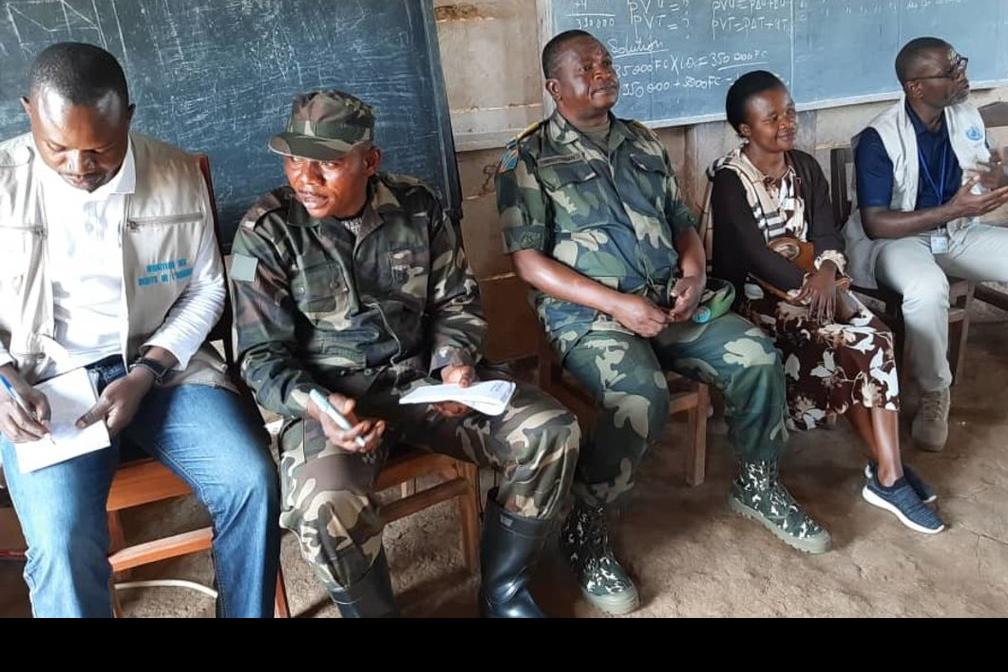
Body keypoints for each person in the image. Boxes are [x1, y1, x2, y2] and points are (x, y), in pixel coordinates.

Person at [495, 30, 831, 616]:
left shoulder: (643, 141)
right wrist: (616, 305)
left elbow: (681, 222)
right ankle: (586, 524)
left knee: (756, 356)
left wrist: (694, 275)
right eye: (586, 67)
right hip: (590, 317)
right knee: (639, 397)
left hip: (670, 303)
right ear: (555, 87)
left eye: (606, 62)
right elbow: (528, 262)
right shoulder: (528, 157)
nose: (603, 72)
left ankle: (757, 481)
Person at [229, 90, 581, 618]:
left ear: (370, 161)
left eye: (328, 163)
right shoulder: (267, 230)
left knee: (552, 432)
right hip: (335, 404)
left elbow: (457, 300)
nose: (305, 177)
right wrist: (319, 406)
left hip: (425, 384)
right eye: (294, 159)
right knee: (324, 506)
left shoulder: (418, 205)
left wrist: (455, 364)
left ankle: (504, 592)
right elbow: (260, 356)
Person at [0, 42, 280, 618]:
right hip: (42, 379)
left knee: (250, 480)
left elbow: (207, 289)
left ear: (128, 116)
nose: (80, 168)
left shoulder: (175, 173)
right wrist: (3, 379)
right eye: (57, 148)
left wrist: (149, 369)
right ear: (29, 112)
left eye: (100, 149)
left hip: (162, 367)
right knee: (60, 543)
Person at [710, 70, 944, 535]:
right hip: (758, 300)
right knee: (860, 345)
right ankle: (889, 472)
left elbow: (826, 232)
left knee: (874, 336)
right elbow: (753, 255)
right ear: (744, 129)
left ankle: (889, 471)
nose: (787, 123)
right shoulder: (730, 180)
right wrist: (809, 285)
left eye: (790, 112)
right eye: (772, 118)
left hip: (818, 285)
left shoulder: (804, 166)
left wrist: (827, 274)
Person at [845, 37, 1008, 452]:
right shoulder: (878, 138)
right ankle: (936, 392)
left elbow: (982, 177)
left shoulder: (964, 114)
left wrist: (997, 179)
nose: (963, 76)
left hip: (955, 231)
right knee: (926, 288)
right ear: (916, 87)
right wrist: (951, 209)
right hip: (899, 241)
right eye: (951, 71)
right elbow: (876, 224)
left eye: (960, 64)